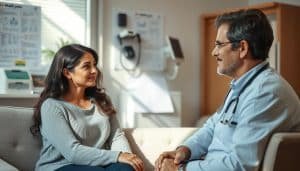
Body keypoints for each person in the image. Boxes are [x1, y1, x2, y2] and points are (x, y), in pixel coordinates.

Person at [155, 9, 300, 171]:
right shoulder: (242, 85)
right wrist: (185, 151)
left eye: (219, 45)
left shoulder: (264, 93)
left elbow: (239, 165)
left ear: (242, 48)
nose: (213, 52)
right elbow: (212, 126)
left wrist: (181, 169)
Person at [30, 44, 144, 171]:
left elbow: (116, 136)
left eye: (94, 64)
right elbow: (72, 152)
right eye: (86, 66)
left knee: (126, 169)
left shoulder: (102, 101)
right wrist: (117, 155)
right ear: (67, 73)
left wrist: (127, 158)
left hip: (99, 164)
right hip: (61, 166)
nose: (94, 70)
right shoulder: (52, 106)